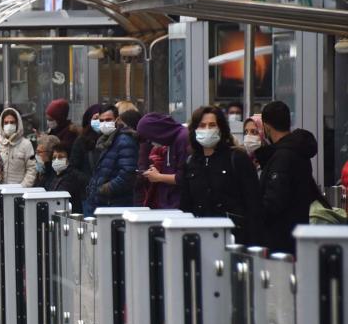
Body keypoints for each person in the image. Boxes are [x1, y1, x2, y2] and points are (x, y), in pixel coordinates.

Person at [179, 106, 263, 246]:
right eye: (202, 126)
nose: (207, 129)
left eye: (212, 125)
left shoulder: (236, 158)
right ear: (194, 130)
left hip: (234, 238)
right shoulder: (190, 163)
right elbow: (186, 206)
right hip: (200, 238)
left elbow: (253, 205)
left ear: (221, 129)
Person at [256, 100, 319, 254]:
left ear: (267, 126)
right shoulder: (298, 151)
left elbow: (274, 200)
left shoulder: (282, 157)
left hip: (281, 239)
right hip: (297, 233)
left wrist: (256, 216)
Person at [84, 104, 138, 216]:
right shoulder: (104, 141)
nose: (104, 124)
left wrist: (105, 188)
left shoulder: (124, 141)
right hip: (99, 203)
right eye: (102, 120)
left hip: (114, 203)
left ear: (117, 120)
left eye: (108, 120)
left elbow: (128, 173)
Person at [136, 112, 190, 209]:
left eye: (149, 138)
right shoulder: (170, 141)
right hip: (170, 203)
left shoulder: (183, 138)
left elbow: (183, 177)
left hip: (179, 205)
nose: (150, 142)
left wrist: (159, 177)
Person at [64, 104, 102, 213]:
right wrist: (89, 181)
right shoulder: (81, 141)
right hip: (88, 194)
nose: (100, 122)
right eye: (96, 118)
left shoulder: (110, 140)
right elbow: (72, 168)